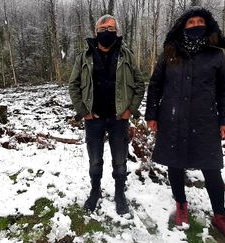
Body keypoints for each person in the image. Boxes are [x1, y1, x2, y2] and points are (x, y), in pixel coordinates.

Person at [145, 8, 225, 239]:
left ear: (207, 26)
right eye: (191, 22)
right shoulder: (169, 53)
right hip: (172, 118)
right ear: (182, 26)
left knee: (211, 168)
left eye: (200, 21)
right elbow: (155, 84)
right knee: (174, 164)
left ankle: (220, 215)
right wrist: (152, 115)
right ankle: (181, 204)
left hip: (205, 120)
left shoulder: (216, 55)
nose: (195, 25)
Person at [69, 15, 145, 215]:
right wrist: (83, 111)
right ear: (96, 32)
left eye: (111, 29)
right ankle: (95, 191)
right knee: (95, 161)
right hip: (93, 119)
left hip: (119, 119)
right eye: (103, 29)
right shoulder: (84, 56)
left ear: (117, 31)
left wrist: (131, 110)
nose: (107, 33)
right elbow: (73, 85)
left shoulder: (126, 55)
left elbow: (139, 84)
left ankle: (120, 193)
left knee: (120, 162)